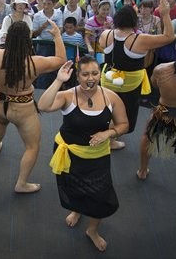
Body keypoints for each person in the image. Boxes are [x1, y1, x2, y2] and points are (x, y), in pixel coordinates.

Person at [38, 57, 129, 251]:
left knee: (101, 196)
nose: (91, 78)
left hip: (98, 156)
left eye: (95, 73)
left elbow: (124, 125)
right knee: (74, 188)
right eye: (85, 74)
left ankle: (92, 230)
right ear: (77, 76)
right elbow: (43, 106)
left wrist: (109, 133)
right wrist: (59, 80)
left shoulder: (111, 97)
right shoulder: (68, 96)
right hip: (70, 154)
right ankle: (77, 210)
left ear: (100, 75)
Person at [0, 20, 66, 193]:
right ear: (27, 41)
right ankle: (21, 183)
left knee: (1, 122)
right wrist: (57, 36)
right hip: (23, 109)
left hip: (0, 102)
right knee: (32, 146)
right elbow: (61, 60)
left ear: (8, 37)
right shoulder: (34, 63)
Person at [99, 0, 175, 149]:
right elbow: (169, 37)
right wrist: (165, 14)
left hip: (107, 79)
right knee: (123, 113)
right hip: (129, 84)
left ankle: (107, 138)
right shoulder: (140, 39)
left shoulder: (105, 34)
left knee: (107, 108)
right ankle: (109, 140)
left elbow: (104, 47)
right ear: (135, 21)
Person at [136, 40, 176, 228]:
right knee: (146, 137)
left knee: (146, 136)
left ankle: (142, 170)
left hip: (163, 111)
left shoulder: (161, 69)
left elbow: (154, 84)